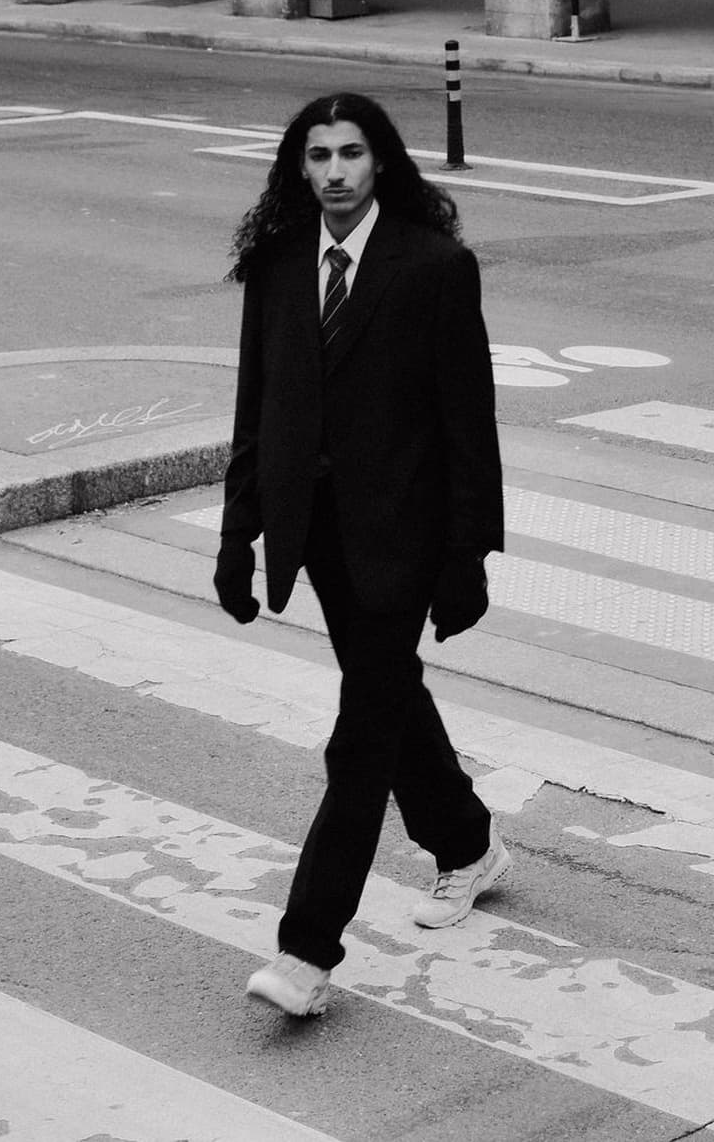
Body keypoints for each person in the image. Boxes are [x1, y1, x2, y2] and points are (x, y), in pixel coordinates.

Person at [214, 90, 507, 1019]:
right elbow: (258, 404)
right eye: (318, 156)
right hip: (317, 535)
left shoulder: (435, 267)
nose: (334, 172)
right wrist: (238, 533)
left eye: (350, 153)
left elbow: (468, 422)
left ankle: (306, 950)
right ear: (297, 167)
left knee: (361, 736)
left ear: (381, 161)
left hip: (404, 536)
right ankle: (467, 845)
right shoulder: (277, 263)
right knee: (389, 694)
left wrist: (468, 555)